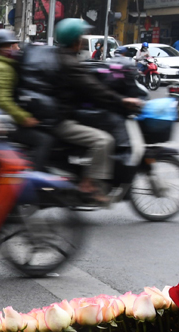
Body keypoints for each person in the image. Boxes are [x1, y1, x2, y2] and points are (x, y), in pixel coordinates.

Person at [51, 19, 143, 202]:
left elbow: (89, 82)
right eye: (81, 37)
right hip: (61, 120)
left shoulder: (62, 57)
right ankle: (89, 184)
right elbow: (93, 88)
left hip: (63, 113)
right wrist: (122, 100)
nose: (82, 41)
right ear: (75, 40)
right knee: (103, 140)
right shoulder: (69, 63)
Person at [0, 29, 53, 169]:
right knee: (44, 140)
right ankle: (31, 179)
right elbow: (3, 101)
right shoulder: (0, 68)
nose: (17, 49)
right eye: (13, 45)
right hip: (2, 121)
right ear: (1, 48)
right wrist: (24, 118)